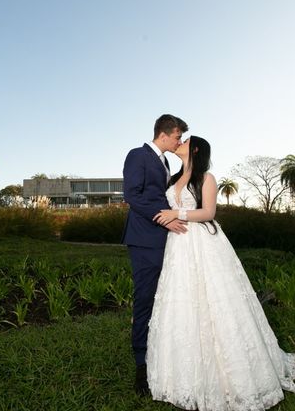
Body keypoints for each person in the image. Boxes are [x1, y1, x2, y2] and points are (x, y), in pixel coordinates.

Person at [147, 136, 295, 411]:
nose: (179, 142)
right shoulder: (173, 178)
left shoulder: (206, 178)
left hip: (204, 244)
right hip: (178, 247)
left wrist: (175, 213)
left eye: (185, 140)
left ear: (195, 149)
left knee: (216, 299)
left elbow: (208, 212)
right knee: (183, 299)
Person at [122, 114, 189, 396]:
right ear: (165, 133)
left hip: (164, 239)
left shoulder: (165, 163)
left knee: (165, 298)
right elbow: (132, 195)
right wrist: (164, 219)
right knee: (145, 298)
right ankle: (141, 365)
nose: (179, 142)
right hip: (144, 240)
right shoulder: (138, 155)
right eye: (178, 137)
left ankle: (163, 353)